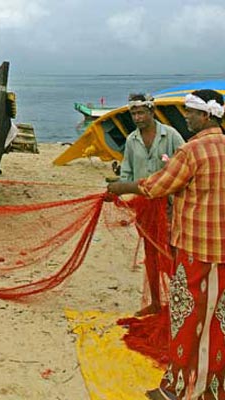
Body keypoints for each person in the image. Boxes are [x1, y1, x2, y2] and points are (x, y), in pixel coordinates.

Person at [107, 89, 225, 399]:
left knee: (186, 318)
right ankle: (213, 389)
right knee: (217, 321)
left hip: (195, 251)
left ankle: (175, 389)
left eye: (191, 112)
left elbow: (155, 185)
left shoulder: (190, 151)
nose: (186, 117)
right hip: (223, 253)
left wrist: (121, 187)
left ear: (207, 116)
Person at [120, 93, 185, 317]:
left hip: (168, 207)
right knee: (151, 254)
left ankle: (180, 299)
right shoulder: (131, 140)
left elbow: (184, 165)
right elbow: (126, 172)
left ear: (151, 111)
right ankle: (156, 301)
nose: (137, 118)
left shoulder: (171, 136)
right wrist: (125, 197)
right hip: (144, 206)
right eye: (133, 114)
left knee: (171, 252)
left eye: (141, 112)